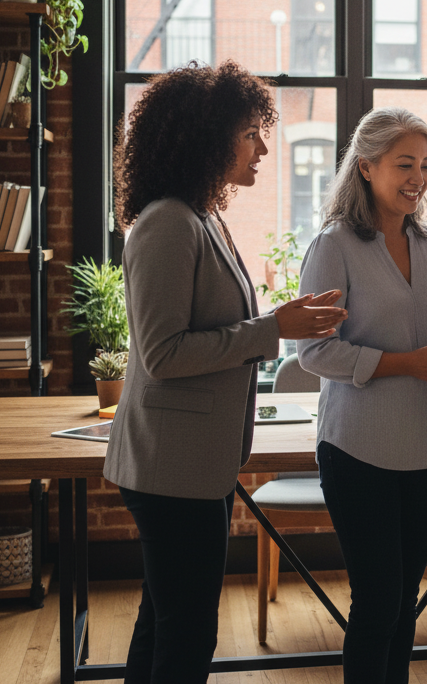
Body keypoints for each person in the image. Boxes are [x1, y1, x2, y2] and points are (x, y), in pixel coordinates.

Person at [103, 61, 347, 684]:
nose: (263, 146)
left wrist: (276, 323)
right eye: (250, 134)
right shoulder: (167, 223)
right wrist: (274, 330)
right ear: (208, 138)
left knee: (164, 622)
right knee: (187, 635)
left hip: (189, 463)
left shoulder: (202, 214)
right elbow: (163, 354)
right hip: (169, 468)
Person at [296, 107, 427, 684]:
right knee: (377, 602)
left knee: (405, 602)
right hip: (357, 449)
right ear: (366, 167)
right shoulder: (333, 244)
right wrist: (406, 364)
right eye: (404, 165)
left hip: (426, 444)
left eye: (425, 165)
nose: (418, 177)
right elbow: (314, 353)